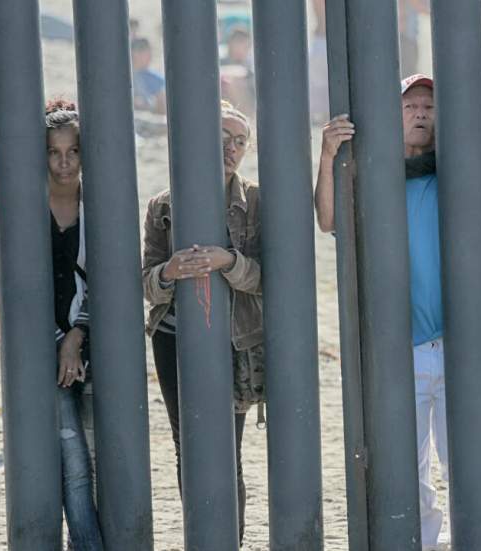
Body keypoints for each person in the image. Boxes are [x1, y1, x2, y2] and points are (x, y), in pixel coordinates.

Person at [314, 74, 481, 550]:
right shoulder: (371, 174)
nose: (422, 113)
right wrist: (327, 155)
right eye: (411, 106)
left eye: (430, 106)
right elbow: (327, 219)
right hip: (397, 348)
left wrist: (468, 134)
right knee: (410, 468)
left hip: (458, 345)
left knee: (466, 461)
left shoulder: (456, 171)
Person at [142, 100, 265, 544]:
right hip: (172, 338)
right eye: (222, 139)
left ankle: (230, 538)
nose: (231, 149)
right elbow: (146, 284)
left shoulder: (255, 201)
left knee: (227, 449)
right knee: (186, 445)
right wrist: (170, 272)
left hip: (236, 341)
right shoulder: (162, 206)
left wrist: (228, 261)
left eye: (240, 141)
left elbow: (269, 277)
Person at [44, 99, 103, 550]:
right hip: (43, 351)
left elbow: (109, 279)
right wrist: (61, 341)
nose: (65, 163)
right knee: (73, 465)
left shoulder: (99, 204)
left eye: (74, 151)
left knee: (102, 462)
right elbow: (10, 286)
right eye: (54, 152)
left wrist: (77, 336)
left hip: (98, 345)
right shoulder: (24, 206)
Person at [131, 37, 167, 114]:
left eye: (149, 54)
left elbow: (163, 105)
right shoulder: (125, 77)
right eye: (145, 54)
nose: (149, 57)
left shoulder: (156, 79)